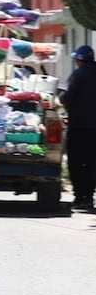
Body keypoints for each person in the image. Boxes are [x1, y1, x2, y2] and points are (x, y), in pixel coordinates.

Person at [60, 44, 96, 210]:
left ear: (80, 59)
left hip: (79, 126)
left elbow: (66, 97)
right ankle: (89, 195)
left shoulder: (78, 74)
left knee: (75, 162)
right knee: (91, 163)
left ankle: (80, 196)